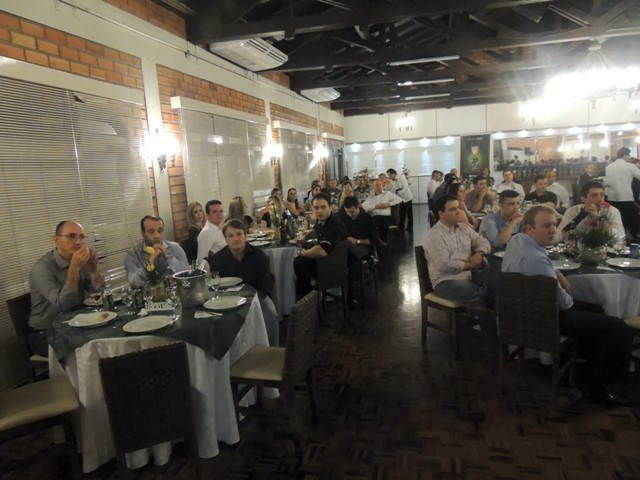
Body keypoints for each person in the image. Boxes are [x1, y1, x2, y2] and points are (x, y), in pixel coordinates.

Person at [502, 205, 632, 405]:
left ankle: (582, 367)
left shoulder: (516, 241)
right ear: (530, 228)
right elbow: (564, 303)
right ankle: (599, 389)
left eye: (554, 225)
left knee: (596, 310)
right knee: (618, 328)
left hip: (523, 311)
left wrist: (556, 272)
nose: (553, 230)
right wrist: (557, 280)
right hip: (547, 318)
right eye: (546, 226)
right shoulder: (537, 261)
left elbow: (540, 266)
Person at [29, 220, 103, 356]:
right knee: (89, 353)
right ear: (55, 239)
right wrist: (74, 269)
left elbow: (100, 293)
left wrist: (94, 271)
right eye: (71, 236)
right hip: (46, 333)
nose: (78, 242)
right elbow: (64, 305)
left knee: (107, 341)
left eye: (81, 237)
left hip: (75, 325)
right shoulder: (42, 269)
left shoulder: (79, 259)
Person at [208, 219, 279, 346]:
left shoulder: (259, 256)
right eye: (231, 236)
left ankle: (271, 351)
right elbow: (215, 287)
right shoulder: (217, 259)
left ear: (245, 236)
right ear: (225, 239)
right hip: (228, 302)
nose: (236, 238)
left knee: (270, 315)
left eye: (239, 234)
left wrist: (249, 303)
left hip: (258, 298)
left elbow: (265, 287)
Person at [423, 195, 491, 305]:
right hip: (445, 281)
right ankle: (484, 314)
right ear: (441, 214)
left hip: (469, 275)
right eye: (453, 209)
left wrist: (479, 254)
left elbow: (484, 242)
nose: (459, 212)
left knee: (496, 283)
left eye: (458, 207)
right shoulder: (434, 236)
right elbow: (444, 265)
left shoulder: (464, 228)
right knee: (482, 294)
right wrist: (469, 264)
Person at [293, 193, 348, 301]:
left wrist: (301, 252)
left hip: (333, 266)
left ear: (330, 207)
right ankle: (306, 294)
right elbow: (316, 229)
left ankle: (306, 299)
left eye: (323, 207)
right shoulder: (322, 219)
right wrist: (306, 237)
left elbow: (322, 251)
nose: (319, 211)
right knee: (304, 249)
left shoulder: (334, 225)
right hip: (328, 258)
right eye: (316, 208)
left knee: (299, 261)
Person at [125, 215, 189, 289]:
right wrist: (150, 262)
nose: (157, 235)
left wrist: (168, 257)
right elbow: (134, 283)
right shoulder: (132, 255)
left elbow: (187, 274)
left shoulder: (175, 248)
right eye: (151, 232)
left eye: (160, 231)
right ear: (143, 234)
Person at [555, 180, 625, 243]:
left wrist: (598, 218)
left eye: (602, 195)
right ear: (583, 199)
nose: (600, 199)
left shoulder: (612, 211)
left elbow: (620, 237)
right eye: (594, 195)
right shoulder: (573, 211)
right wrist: (583, 214)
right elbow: (559, 236)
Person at [605, 147, 640, 239]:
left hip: (612, 197)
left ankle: (615, 234)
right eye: (629, 155)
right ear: (625, 155)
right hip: (625, 196)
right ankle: (634, 234)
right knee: (634, 214)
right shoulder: (630, 166)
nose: (629, 157)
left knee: (616, 216)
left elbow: (607, 182)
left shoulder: (609, 167)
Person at [361, 179, 402, 243]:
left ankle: (382, 242)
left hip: (385, 216)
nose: (379, 186)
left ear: (382, 186)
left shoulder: (387, 194)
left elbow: (399, 199)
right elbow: (364, 206)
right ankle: (374, 242)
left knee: (382, 224)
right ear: (373, 187)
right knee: (368, 224)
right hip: (374, 217)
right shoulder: (371, 196)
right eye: (377, 185)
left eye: (380, 185)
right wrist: (376, 206)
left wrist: (389, 204)